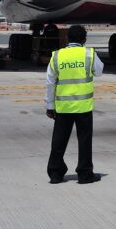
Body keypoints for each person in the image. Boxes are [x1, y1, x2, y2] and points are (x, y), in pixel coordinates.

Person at [45, 25, 104, 184]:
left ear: (66, 38)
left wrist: (50, 105)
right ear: (84, 39)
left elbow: (50, 82)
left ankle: (55, 174)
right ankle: (84, 174)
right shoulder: (89, 54)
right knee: (84, 141)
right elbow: (99, 71)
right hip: (83, 107)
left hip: (63, 107)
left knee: (58, 141)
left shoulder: (58, 56)